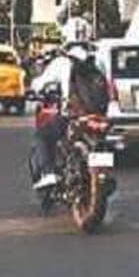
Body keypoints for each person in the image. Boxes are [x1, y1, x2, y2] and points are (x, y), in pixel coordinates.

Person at [31, 41, 112, 189]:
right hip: (98, 116)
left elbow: (39, 84)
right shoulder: (98, 63)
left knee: (42, 136)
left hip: (73, 116)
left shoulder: (62, 63)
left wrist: (34, 90)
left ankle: (48, 173)